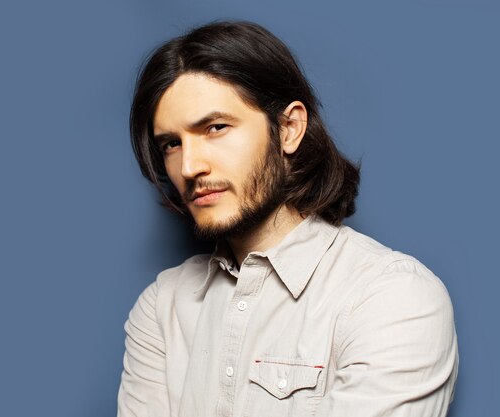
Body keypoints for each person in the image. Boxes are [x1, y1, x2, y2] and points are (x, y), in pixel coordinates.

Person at [118, 20, 458, 417]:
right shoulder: (162, 306)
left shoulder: (393, 296)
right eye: (172, 144)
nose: (189, 166)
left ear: (289, 129)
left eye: (216, 127)